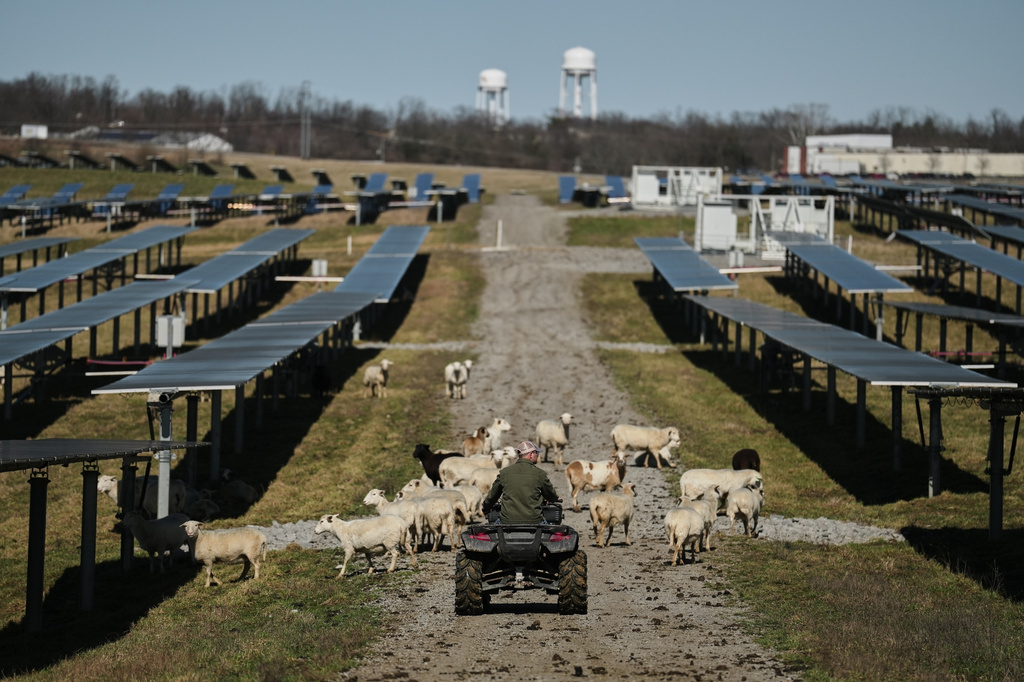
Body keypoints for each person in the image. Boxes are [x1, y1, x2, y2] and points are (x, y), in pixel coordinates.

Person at [481, 440, 561, 524]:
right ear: (531, 454)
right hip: (534, 521)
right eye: (536, 453)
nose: (537, 455)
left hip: (507, 521)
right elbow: (550, 494)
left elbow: (492, 496)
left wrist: (486, 508)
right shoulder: (540, 474)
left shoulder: (504, 473)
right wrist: (555, 498)